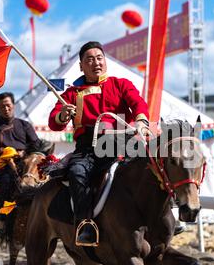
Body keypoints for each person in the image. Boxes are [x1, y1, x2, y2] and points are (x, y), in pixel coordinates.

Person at [48, 41, 155, 246]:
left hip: (122, 142)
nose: (96, 62)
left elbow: (138, 103)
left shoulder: (121, 84)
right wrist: (62, 114)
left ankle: (167, 214)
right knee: (77, 172)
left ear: (105, 61)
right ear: (81, 65)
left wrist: (141, 120)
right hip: (87, 148)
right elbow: (54, 123)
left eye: (99, 58)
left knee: (151, 166)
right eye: (89, 59)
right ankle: (85, 224)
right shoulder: (71, 94)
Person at [0, 92, 45, 243]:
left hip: (28, 163)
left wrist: (24, 151)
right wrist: (4, 152)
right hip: (5, 167)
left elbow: (36, 144)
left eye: (8, 105)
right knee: (7, 186)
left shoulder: (24, 125)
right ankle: (2, 223)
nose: (6, 108)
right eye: (2, 106)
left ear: (13, 106)